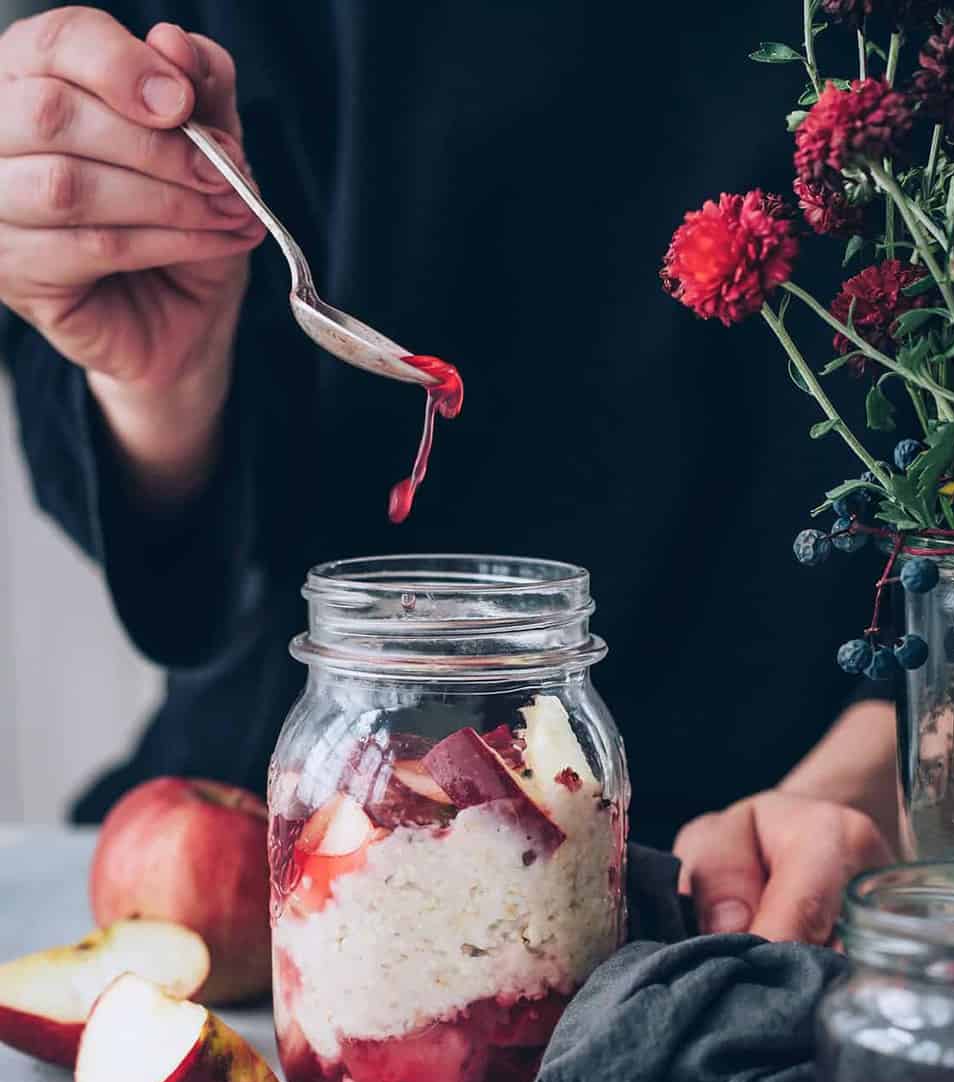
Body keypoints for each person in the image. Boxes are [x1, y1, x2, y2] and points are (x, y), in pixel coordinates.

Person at [0, 1, 898, 943]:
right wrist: (163, 381)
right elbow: (171, 554)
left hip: (787, 856)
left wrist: (895, 760)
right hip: (291, 865)